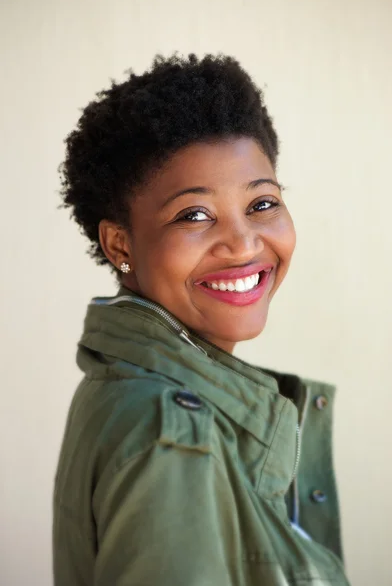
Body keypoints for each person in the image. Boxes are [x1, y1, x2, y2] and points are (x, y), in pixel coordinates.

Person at [53, 53, 350, 585]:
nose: (243, 242)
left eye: (262, 203)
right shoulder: (170, 433)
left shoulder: (132, 389)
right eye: (194, 215)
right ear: (120, 243)